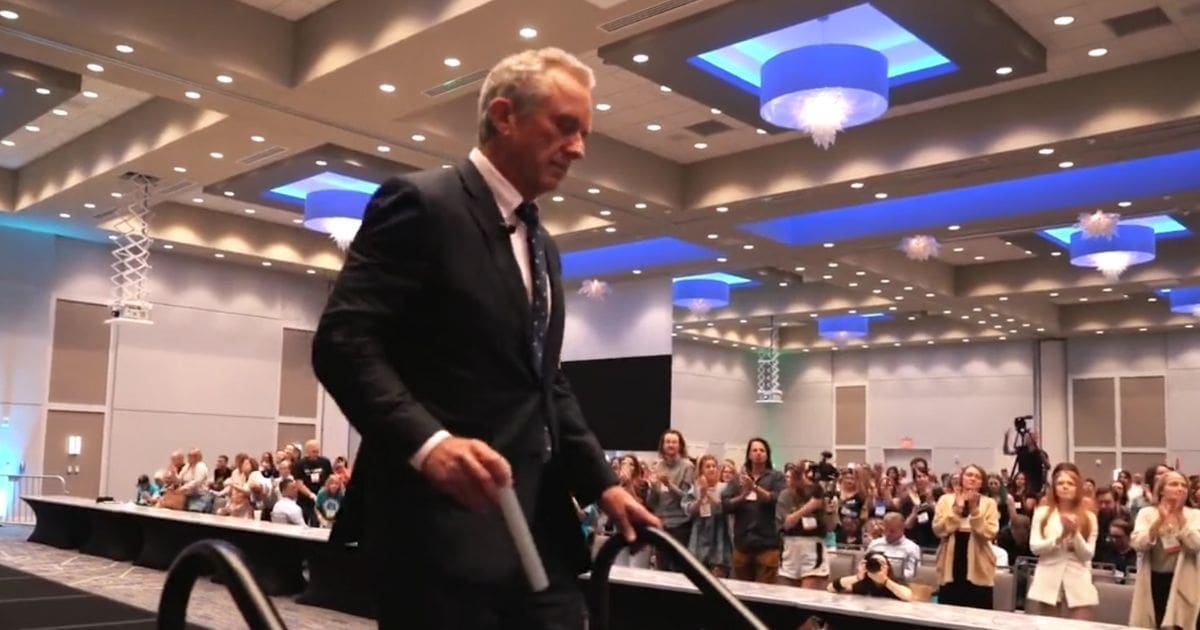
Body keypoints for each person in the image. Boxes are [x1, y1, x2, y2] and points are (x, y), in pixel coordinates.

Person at [311, 47, 659, 630]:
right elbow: (343, 342)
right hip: (435, 533)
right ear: (504, 115)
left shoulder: (544, 244)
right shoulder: (422, 203)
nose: (578, 148)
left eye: (584, 132)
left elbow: (546, 383)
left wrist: (601, 484)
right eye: (564, 126)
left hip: (537, 532)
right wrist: (430, 445)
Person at [1129, 470, 1200, 629]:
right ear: (1161, 489)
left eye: (1184, 485)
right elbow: (1138, 543)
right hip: (1154, 579)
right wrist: (1159, 521)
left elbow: (1195, 545)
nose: (1180, 488)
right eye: (1174, 484)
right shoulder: (1147, 513)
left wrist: (1180, 517)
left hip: (1185, 579)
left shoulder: (1195, 515)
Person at [1027, 463, 1098, 619]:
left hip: (1078, 577)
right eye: (1060, 483)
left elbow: (1087, 555)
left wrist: (1074, 534)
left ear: (1078, 488)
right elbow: (1035, 547)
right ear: (1054, 488)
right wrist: (1059, 538)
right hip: (1048, 576)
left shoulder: (1089, 517)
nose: (1065, 487)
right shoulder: (1042, 513)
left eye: (1070, 484)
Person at [933, 464, 999, 609]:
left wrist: (975, 511)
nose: (973, 479)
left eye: (977, 477)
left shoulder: (989, 503)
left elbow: (990, 533)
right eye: (969, 475)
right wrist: (957, 509)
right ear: (962, 478)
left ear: (982, 483)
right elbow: (939, 529)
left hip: (979, 563)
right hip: (951, 562)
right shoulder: (945, 500)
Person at [721, 437, 786, 584]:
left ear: (767, 454)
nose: (758, 453)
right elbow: (725, 504)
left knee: (765, 593)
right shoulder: (738, 479)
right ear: (749, 455)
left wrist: (754, 488)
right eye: (754, 450)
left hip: (767, 544)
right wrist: (742, 496)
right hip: (742, 544)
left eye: (762, 450)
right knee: (742, 592)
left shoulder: (776, 477)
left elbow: (777, 500)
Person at [827, 550, 913, 601]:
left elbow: (907, 596)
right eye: (874, 563)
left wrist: (885, 581)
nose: (877, 566)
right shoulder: (862, 583)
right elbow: (831, 587)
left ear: (888, 567)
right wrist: (857, 577)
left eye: (881, 564)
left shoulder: (895, 582)